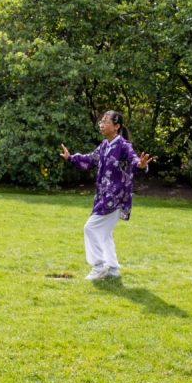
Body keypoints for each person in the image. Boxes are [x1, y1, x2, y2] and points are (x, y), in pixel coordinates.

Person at [60, 110, 153, 280]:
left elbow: (134, 161)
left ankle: (98, 266)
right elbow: (90, 160)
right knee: (104, 233)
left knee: (90, 227)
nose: (102, 124)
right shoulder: (104, 145)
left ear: (117, 126)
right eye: (101, 121)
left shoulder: (124, 146)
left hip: (116, 197)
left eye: (106, 121)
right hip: (103, 195)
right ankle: (113, 269)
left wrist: (140, 165)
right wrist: (71, 158)